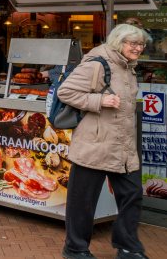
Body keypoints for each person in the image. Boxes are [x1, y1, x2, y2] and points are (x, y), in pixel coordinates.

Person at [57, 23, 152, 259]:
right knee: (83, 202)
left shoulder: (128, 67)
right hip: (95, 144)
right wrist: (100, 101)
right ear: (119, 43)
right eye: (133, 43)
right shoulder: (98, 64)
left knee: (132, 195)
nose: (138, 48)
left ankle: (128, 247)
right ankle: (75, 249)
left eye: (141, 44)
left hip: (122, 147)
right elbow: (65, 92)